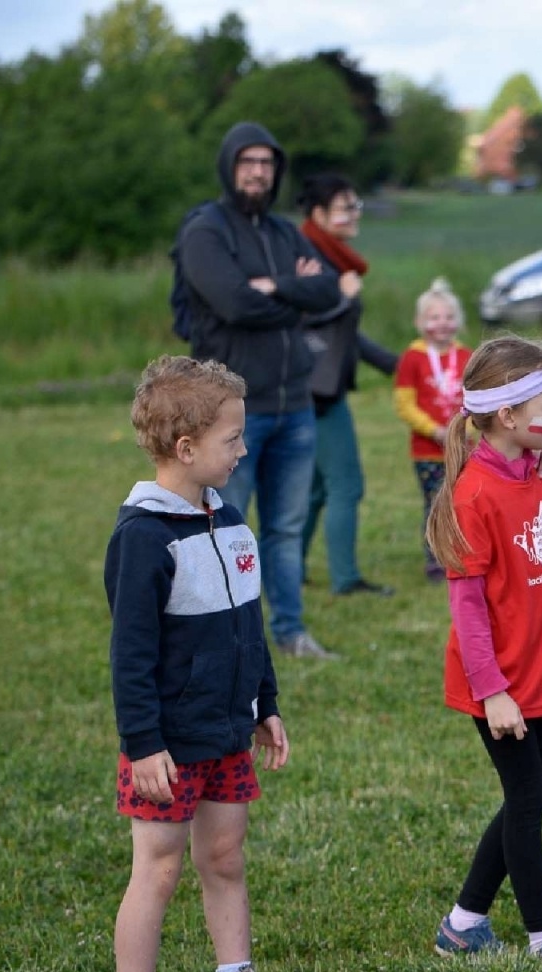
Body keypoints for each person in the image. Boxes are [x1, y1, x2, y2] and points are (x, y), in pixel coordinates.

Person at [103, 356, 294, 972]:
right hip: (167, 746)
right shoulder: (143, 539)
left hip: (227, 731)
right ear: (187, 449)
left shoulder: (230, 520)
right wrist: (144, 742)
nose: (243, 449)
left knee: (225, 856)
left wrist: (264, 703)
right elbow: (129, 658)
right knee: (157, 866)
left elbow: (249, 621)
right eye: (232, 438)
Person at [426, 336, 542, 972]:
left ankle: (464, 924)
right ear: (507, 417)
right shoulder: (476, 495)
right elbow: (467, 610)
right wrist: (492, 689)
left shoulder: (536, 474)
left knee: (534, 794)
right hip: (499, 682)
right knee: (526, 799)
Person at [179, 121, 343, 659]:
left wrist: (278, 288)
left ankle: (291, 633)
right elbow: (233, 303)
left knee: (286, 529)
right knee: (227, 525)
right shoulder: (206, 230)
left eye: (267, 163)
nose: (257, 171)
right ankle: (225, 636)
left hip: (294, 405)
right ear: (230, 166)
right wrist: (292, 295)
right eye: (248, 161)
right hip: (229, 414)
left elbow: (328, 288)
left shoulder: (282, 233)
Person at [297, 174, 400, 597]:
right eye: (345, 207)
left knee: (318, 487)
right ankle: (346, 579)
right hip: (314, 390)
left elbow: (345, 336)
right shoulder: (311, 260)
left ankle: (286, 567)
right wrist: (345, 297)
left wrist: (398, 364)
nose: (354, 213)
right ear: (319, 215)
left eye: (355, 205)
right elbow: (303, 319)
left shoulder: (330, 259)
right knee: (345, 484)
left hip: (319, 387)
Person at [395, 279, 472, 583]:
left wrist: (467, 429)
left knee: (465, 501)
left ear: (458, 321)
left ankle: (464, 552)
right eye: (434, 318)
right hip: (428, 451)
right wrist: (434, 430)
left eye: (449, 317)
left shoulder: (467, 356)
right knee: (436, 503)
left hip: (464, 447)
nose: (442, 324)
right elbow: (405, 404)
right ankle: (435, 560)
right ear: (419, 322)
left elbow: (477, 398)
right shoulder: (412, 358)